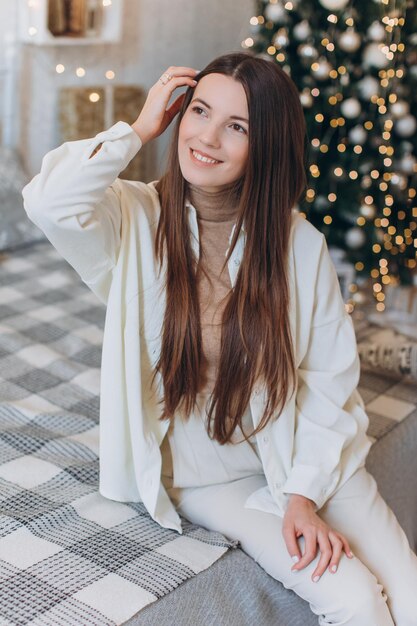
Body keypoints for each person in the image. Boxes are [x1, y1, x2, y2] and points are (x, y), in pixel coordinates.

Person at [22, 52, 417, 625]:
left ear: (266, 145)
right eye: (199, 111)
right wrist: (139, 128)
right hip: (210, 476)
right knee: (354, 597)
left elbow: (330, 381)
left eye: (237, 126)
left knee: (408, 591)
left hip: (309, 452)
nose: (206, 137)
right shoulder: (135, 218)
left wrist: (303, 497)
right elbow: (48, 203)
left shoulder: (296, 242)